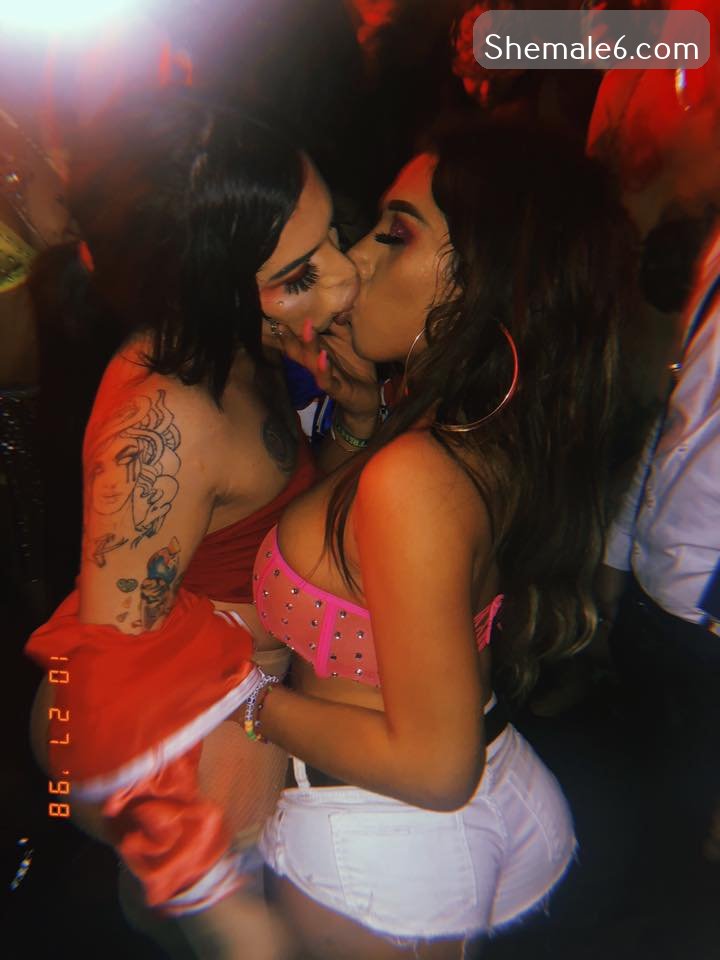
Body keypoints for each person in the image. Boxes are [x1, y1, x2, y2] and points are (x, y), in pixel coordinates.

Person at [245, 120, 639, 958]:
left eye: (395, 234)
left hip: (384, 837)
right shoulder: (476, 432)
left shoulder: (417, 474)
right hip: (450, 799)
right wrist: (362, 412)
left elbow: (435, 765)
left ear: (479, 285)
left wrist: (250, 706)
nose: (354, 259)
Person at [25, 89, 379, 958]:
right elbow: (96, 691)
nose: (345, 276)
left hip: (256, 711)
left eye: (333, 237)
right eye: (299, 274)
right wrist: (207, 894)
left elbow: (282, 517)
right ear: (209, 284)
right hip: (194, 757)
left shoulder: (240, 340)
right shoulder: (166, 423)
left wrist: (356, 418)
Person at [597, 221, 720, 884]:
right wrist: (620, 550)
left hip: (709, 630)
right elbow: (679, 418)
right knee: (641, 803)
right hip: (652, 595)